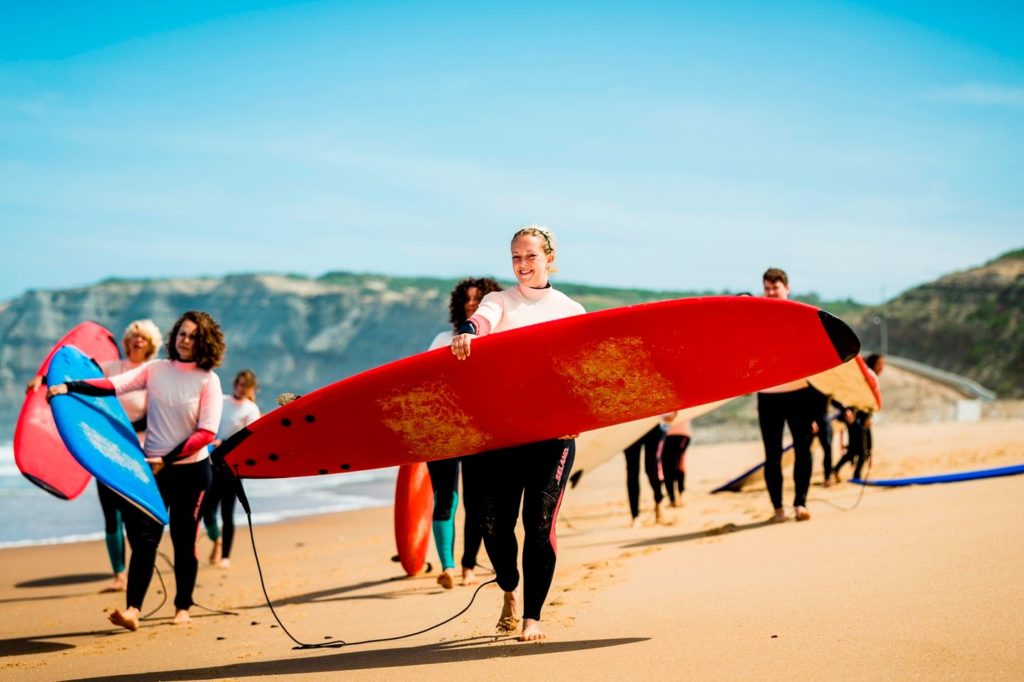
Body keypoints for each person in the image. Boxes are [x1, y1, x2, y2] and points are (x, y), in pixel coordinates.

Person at [48, 310, 225, 631]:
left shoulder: (208, 380)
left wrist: (165, 459)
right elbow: (114, 385)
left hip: (192, 471)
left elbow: (206, 434)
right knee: (145, 540)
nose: (186, 340)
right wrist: (68, 387)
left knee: (185, 539)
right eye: (182, 333)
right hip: (154, 471)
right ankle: (133, 610)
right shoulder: (156, 369)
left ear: (205, 341)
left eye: (193, 336)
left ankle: (183, 606)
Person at [450, 225, 585, 642]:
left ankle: (532, 617)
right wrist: (469, 334)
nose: (522, 265)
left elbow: (583, 371)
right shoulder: (499, 301)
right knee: (494, 525)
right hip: (504, 435)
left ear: (550, 259)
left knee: (539, 524)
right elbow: (482, 321)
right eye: (516, 257)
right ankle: (508, 586)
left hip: (553, 436)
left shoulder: (570, 310)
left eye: (530, 256)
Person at [26, 319, 162, 592]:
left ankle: (140, 566)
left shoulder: (153, 373)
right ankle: (119, 575)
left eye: (143, 338)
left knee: (135, 514)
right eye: (133, 336)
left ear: (151, 345)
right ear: (126, 342)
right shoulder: (110, 369)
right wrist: (43, 379)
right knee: (111, 514)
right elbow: (77, 378)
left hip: (140, 450)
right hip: (107, 446)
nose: (137, 341)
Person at [426, 277, 503, 589]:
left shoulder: (499, 339)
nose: (471, 304)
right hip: (442, 429)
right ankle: (447, 566)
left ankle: (469, 566)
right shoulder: (443, 339)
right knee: (445, 496)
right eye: (466, 299)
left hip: (477, 431)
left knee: (477, 501)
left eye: (478, 299)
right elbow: (424, 382)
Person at [758, 268, 816, 522]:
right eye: (767, 288)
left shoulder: (800, 317)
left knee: (803, 450)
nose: (771, 293)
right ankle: (777, 509)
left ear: (787, 288)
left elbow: (816, 362)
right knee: (772, 455)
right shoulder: (755, 320)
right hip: (768, 396)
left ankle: (800, 504)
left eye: (775, 288)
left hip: (799, 394)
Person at [204, 369, 261, 568]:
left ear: (252, 388)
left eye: (245, 384)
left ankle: (225, 556)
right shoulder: (221, 400)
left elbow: (249, 439)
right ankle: (217, 540)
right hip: (211, 462)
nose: (240, 387)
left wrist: (225, 443)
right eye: (239, 382)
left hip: (232, 467)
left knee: (227, 513)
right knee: (207, 512)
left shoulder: (251, 409)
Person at [833, 353, 885, 482]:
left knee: (859, 449)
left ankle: (836, 470)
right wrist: (848, 411)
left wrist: (869, 416)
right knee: (861, 451)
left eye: (883, 365)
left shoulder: (871, 377)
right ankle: (856, 477)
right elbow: (854, 399)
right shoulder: (863, 377)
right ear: (873, 364)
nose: (881, 368)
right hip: (856, 418)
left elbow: (869, 402)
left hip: (863, 418)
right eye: (879, 364)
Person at [623, 423, 667, 526]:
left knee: (652, 469)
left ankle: (659, 502)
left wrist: (672, 413)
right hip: (630, 426)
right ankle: (635, 516)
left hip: (653, 424)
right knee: (632, 471)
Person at [661, 414, 691, 506]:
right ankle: (673, 499)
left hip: (680, 433)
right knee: (667, 467)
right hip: (664, 432)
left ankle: (680, 495)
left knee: (676, 465)